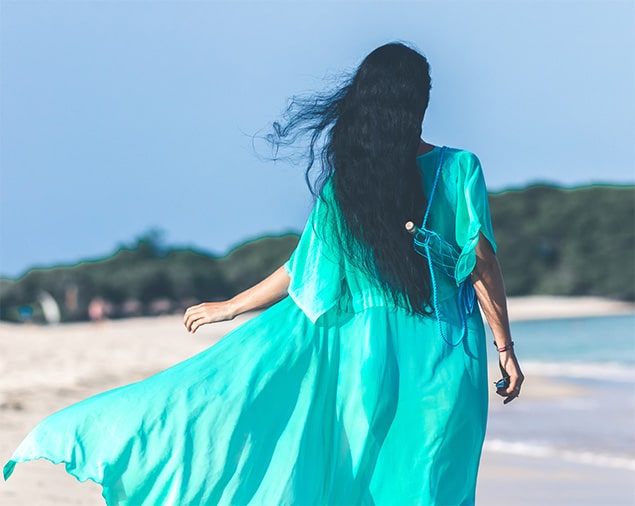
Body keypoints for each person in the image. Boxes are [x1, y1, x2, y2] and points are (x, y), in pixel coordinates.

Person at [4, 42, 523, 505]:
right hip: (446, 355)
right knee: (435, 484)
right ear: (420, 103)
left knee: (364, 482)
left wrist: (231, 306)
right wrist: (505, 348)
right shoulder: (459, 168)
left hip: (363, 361)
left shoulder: (348, 188)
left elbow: (301, 272)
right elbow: (481, 265)